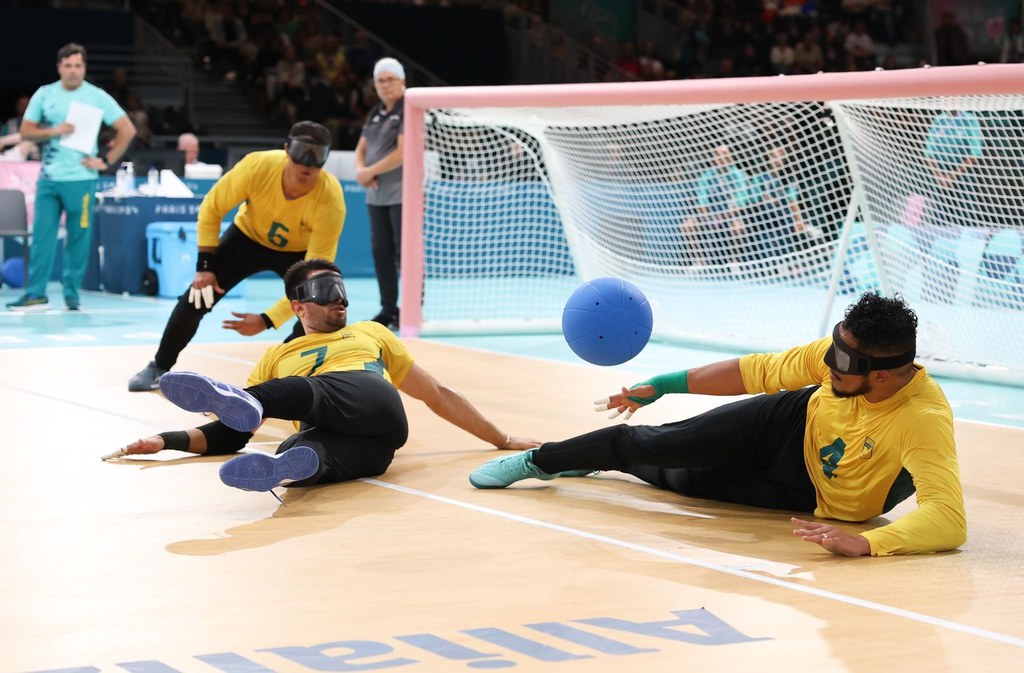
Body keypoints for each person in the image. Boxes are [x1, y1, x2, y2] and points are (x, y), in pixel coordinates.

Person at [469, 293, 967, 558]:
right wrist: (664, 383)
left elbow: (948, 519)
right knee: (651, 441)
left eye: (842, 362)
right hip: (786, 423)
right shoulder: (836, 364)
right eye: (833, 348)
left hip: (809, 493)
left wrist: (870, 542)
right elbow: (755, 371)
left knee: (679, 477)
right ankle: (541, 460)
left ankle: (601, 462)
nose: (829, 362)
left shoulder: (921, 420)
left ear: (880, 375)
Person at [114, 259, 538, 497]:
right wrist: (165, 441)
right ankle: (285, 468)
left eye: (340, 289)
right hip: (371, 446)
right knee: (298, 449)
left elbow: (438, 394)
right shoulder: (279, 355)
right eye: (324, 292)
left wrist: (501, 440)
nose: (338, 299)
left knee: (300, 393)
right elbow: (230, 436)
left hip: (371, 399)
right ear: (298, 308)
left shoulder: (369, 332)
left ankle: (246, 399)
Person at [127, 121, 346, 392]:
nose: (308, 163)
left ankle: (283, 381)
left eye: (317, 155)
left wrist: (267, 320)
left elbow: (316, 272)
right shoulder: (258, 166)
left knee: (316, 308)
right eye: (302, 151)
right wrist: (204, 266)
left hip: (298, 255)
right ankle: (160, 366)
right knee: (196, 298)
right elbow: (211, 207)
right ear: (287, 149)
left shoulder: (331, 198)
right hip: (246, 239)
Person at [6, 43, 136, 312]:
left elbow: (127, 130)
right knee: (42, 237)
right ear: (59, 68)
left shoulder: (97, 97)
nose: (73, 71)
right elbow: (27, 132)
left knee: (79, 239)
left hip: (82, 180)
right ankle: (36, 294)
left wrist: (106, 161)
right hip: (49, 180)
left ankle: (71, 294)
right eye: (68, 66)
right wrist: (57, 130)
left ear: (84, 68)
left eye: (78, 66)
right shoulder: (45, 94)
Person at [355, 57, 406, 329]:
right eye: (380, 80)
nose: (385, 85)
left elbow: (403, 152)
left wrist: (370, 170)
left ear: (402, 82)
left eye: (390, 79)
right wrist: (362, 170)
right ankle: (388, 308)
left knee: (404, 253)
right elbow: (360, 147)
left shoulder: (409, 108)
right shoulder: (376, 112)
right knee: (381, 252)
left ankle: (409, 309)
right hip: (376, 195)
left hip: (402, 194)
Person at [681, 145, 749, 269]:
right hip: (710, 215)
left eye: (725, 154)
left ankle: (735, 261)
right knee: (688, 225)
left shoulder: (738, 175)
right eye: (718, 155)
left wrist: (726, 215)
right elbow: (702, 201)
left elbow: (740, 200)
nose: (722, 157)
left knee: (738, 227)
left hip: (730, 215)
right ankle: (699, 260)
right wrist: (708, 216)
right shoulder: (707, 176)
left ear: (730, 157)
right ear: (714, 158)